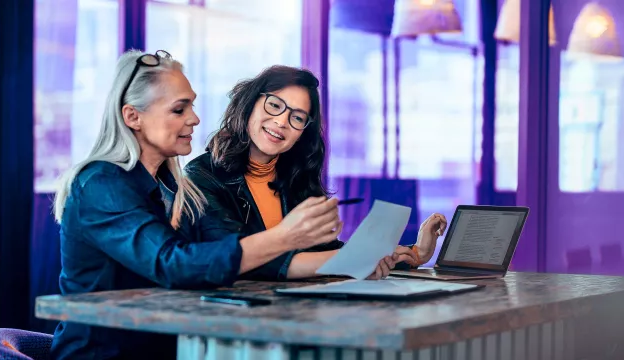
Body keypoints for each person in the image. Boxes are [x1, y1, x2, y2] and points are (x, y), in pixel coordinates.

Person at [50, 50, 379, 360]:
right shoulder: (101, 184)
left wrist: (367, 256)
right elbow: (172, 264)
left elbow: (222, 251)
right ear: (133, 116)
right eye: (179, 109)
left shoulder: (175, 187)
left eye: (191, 106)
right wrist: (285, 237)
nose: (194, 118)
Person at [185, 65, 448, 281]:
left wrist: (414, 253)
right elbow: (240, 259)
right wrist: (354, 261)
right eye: (274, 105)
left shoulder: (294, 177)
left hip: (297, 311)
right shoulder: (201, 177)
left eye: (297, 117)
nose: (281, 122)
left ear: (303, 132)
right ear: (250, 103)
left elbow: (323, 252)